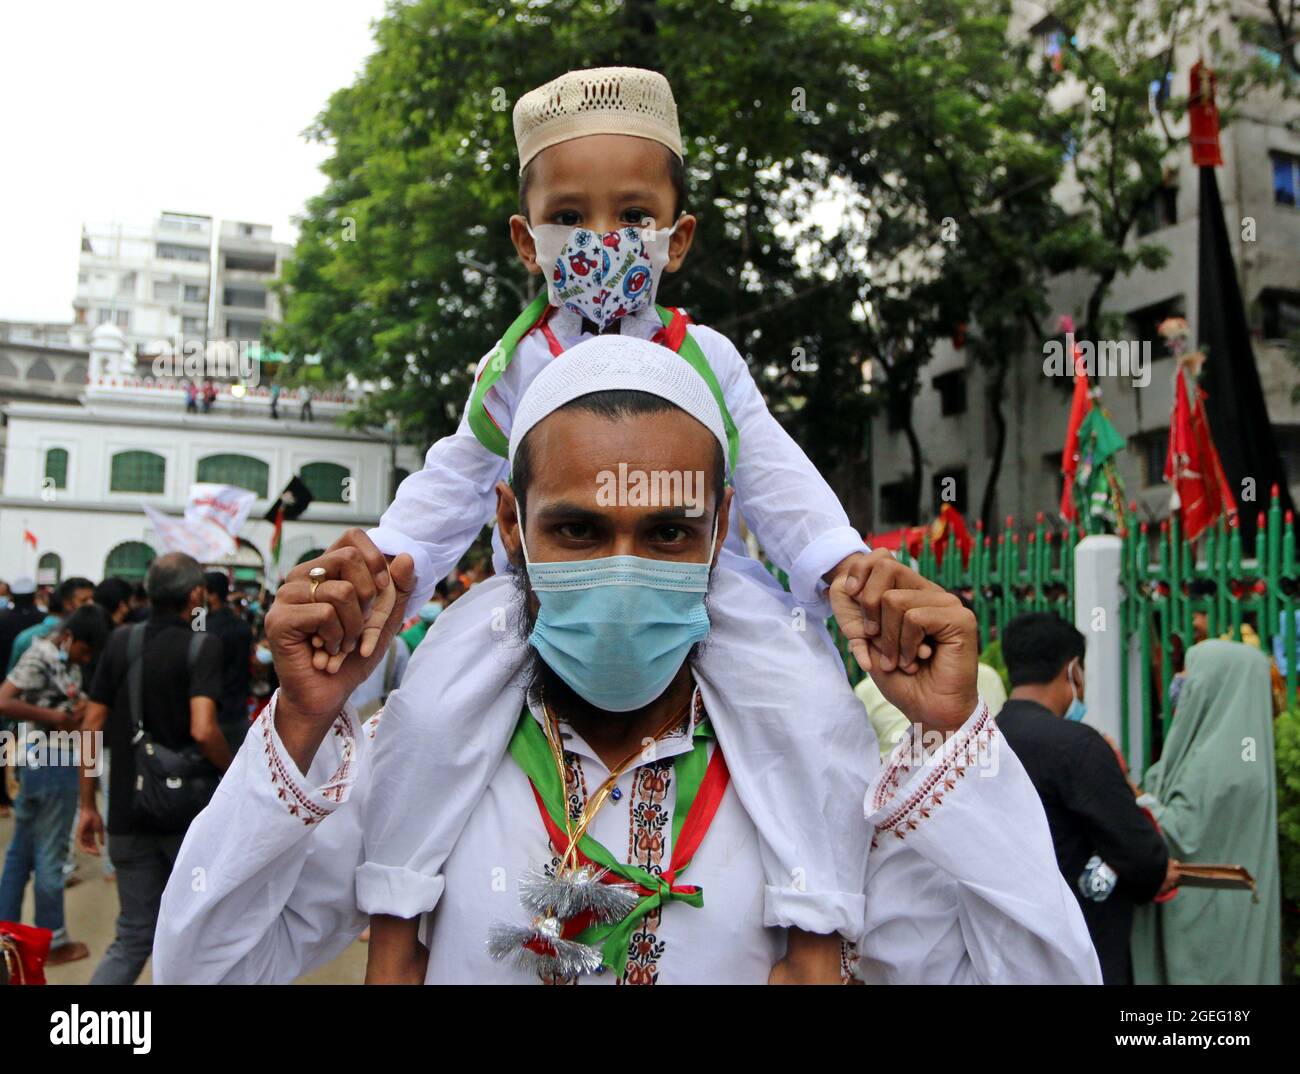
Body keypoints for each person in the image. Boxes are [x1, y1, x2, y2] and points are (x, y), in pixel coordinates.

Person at [152, 336, 1099, 985]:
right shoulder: (414, 765)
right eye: (576, 528)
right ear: (509, 529)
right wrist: (304, 721)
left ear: (722, 532)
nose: (621, 567)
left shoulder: (822, 789)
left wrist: (952, 739)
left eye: (667, 531)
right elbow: (209, 965)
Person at [350, 66, 908, 959]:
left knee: (810, 708)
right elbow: (455, 478)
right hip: (541, 600)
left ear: (678, 237)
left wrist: (841, 563)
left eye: (634, 216)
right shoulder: (513, 364)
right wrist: (389, 562)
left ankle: (817, 922)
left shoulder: (709, 359)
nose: (602, 238)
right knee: (430, 711)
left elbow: (774, 476)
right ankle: (393, 916)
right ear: (526, 241)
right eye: (569, 216)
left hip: (698, 593)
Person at [75, 553, 232, 985]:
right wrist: (236, 770)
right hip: (187, 817)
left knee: (133, 936)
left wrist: (88, 804)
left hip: (126, 808)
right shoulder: (203, 645)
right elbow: (203, 729)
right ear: (196, 594)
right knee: (199, 935)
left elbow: (90, 725)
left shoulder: (121, 640)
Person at [994, 612, 1173, 985]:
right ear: (1073, 669)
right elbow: (1141, 855)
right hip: (1081, 946)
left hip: (1000, 944)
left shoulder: (981, 741)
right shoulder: (1078, 745)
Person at [1131, 640, 1283, 984]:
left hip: (1207, 927)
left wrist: (1131, 795)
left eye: (1191, 672)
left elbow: (1179, 833)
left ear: (1218, 684)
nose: (1181, 680)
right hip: (1225, 914)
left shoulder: (1222, 765)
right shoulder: (1235, 751)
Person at [0, 605, 109, 965]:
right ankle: (51, 942)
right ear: (72, 637)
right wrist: (55, 717)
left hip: (36, 762)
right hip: (51, 763)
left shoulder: (55, 655)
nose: (86, 658)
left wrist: (71, 712)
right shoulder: (43, 653)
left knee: (20, 854)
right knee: (49, 857)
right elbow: (4, 699)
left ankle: (7, 934)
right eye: (85, 650)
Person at [203, 572, 254, 751]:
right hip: (239, 710)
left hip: (212, 712)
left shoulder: (205, 627)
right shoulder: (243, 626)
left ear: (212, 594)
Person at [7, 576, 95, 673]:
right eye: (84, 600)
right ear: (67, 604)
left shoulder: (25, 636)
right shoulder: (37, 641)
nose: (91, 605)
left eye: (92, 600)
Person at [0, 576, 45, 675]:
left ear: (12, 596)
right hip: (34, 674)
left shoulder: (2, 617)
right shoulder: (44, 618)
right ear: (34, 596)